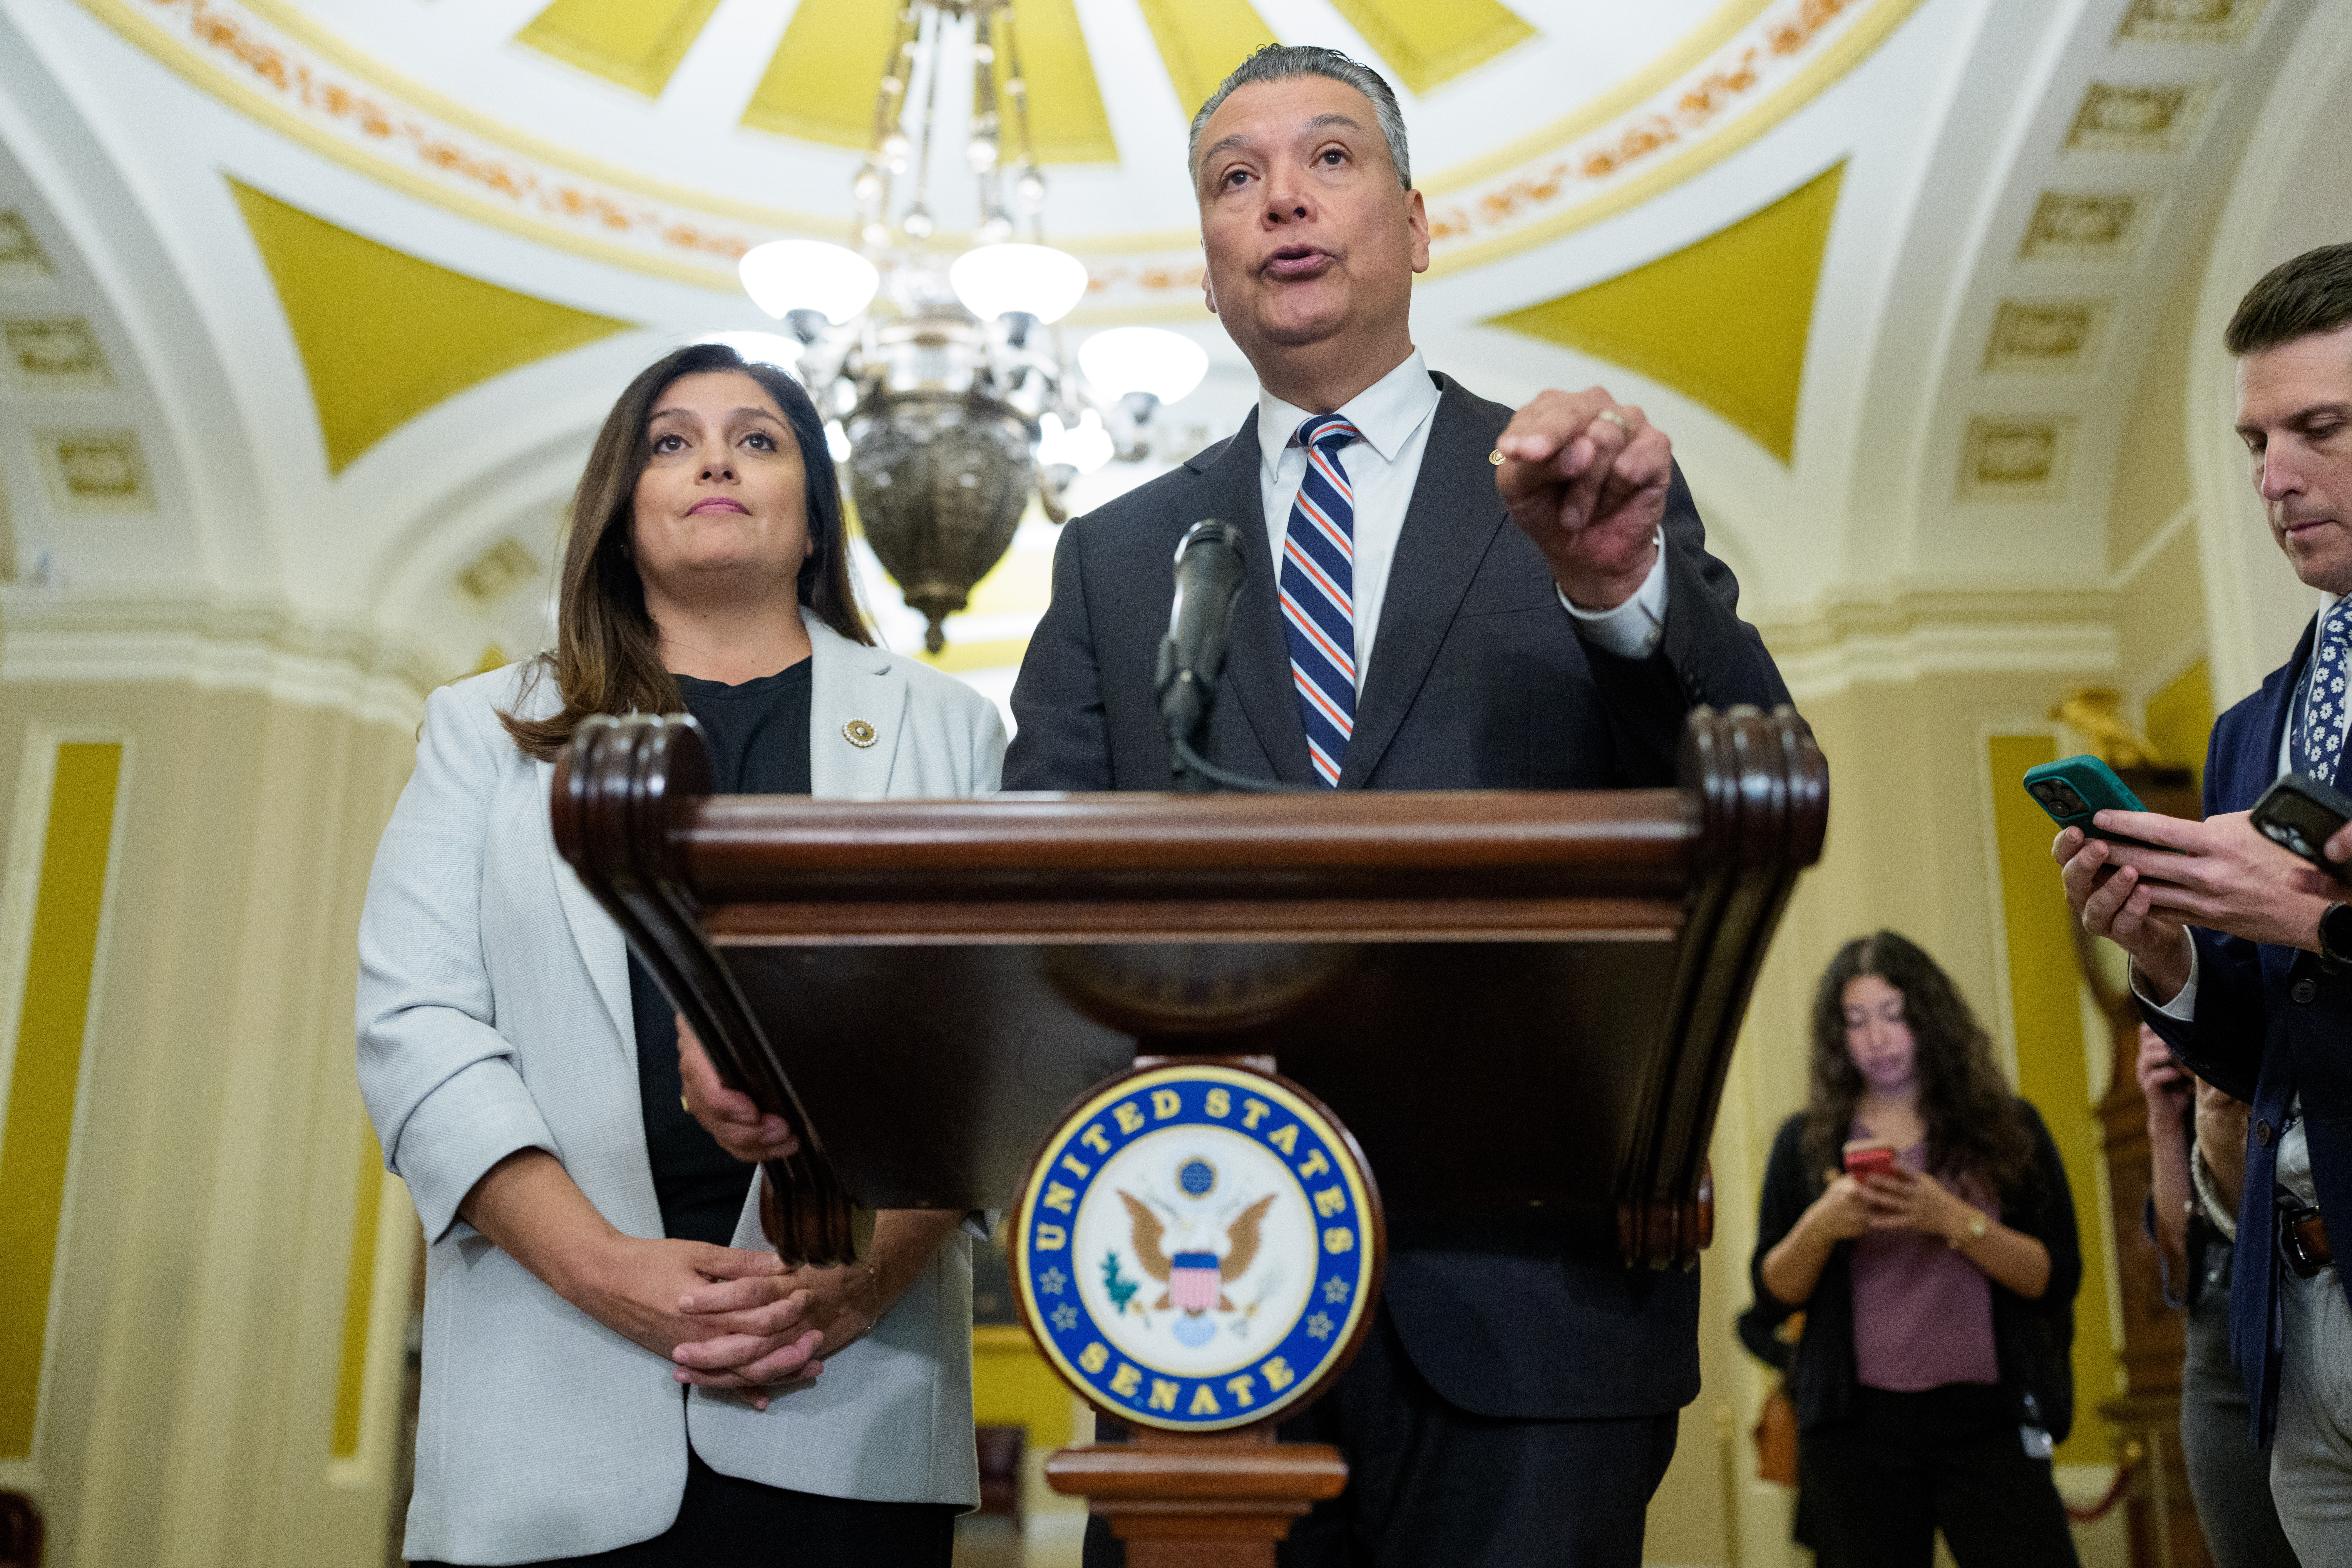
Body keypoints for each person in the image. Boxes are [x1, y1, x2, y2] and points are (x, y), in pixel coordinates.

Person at [999, 42, 1792, 1568]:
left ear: (1417, 224)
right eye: (1236, 178)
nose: (1281, 200)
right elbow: (1040, 907)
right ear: (1210, 254)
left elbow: (1748, 777)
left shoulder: (1580, 493)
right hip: (1197, 1311)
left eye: (1329, 159)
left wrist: (1615, 590)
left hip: (1531, 1299)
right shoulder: (1114, 558)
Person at [356, 341, 1006, 1567]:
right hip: (550, 1389)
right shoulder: (481, 729)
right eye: (672, 441)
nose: (715, 457)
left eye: (759, 439)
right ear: (621, 509)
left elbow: (982, 1046)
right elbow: (419, 1028)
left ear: (814, 516)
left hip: (847, 1397)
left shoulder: (948, 726)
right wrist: (601, 1267)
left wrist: (863, 1278)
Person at [2052, 243, 2352, 1566]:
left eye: (2320, 430)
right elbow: (2258, 1048)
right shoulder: (2252, 727)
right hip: (2290, 1305)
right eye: (2254, 440)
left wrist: (2322, 915)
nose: (2274, 478)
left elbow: (2317, 931)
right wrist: (2170, 959)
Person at [1746, 932, 2082, 1568]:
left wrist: (1953, 1218)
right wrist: (1821, 1225)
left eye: (1894, 1014)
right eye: (1856, 1021)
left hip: (1990, 1418)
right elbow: (1770, 1294)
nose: (1877, 1038)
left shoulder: (2008, 1129)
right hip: (1855, 1430)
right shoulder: (1804, 1143)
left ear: (1929, 1016)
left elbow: (2057, 1277)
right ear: (1836, 1036)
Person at [2134, 1026, 2302, 1568]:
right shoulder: (2186, 1015)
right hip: (2219, 1336)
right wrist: (2164, 1121)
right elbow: (2181, 1248)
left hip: (2313, 1296)